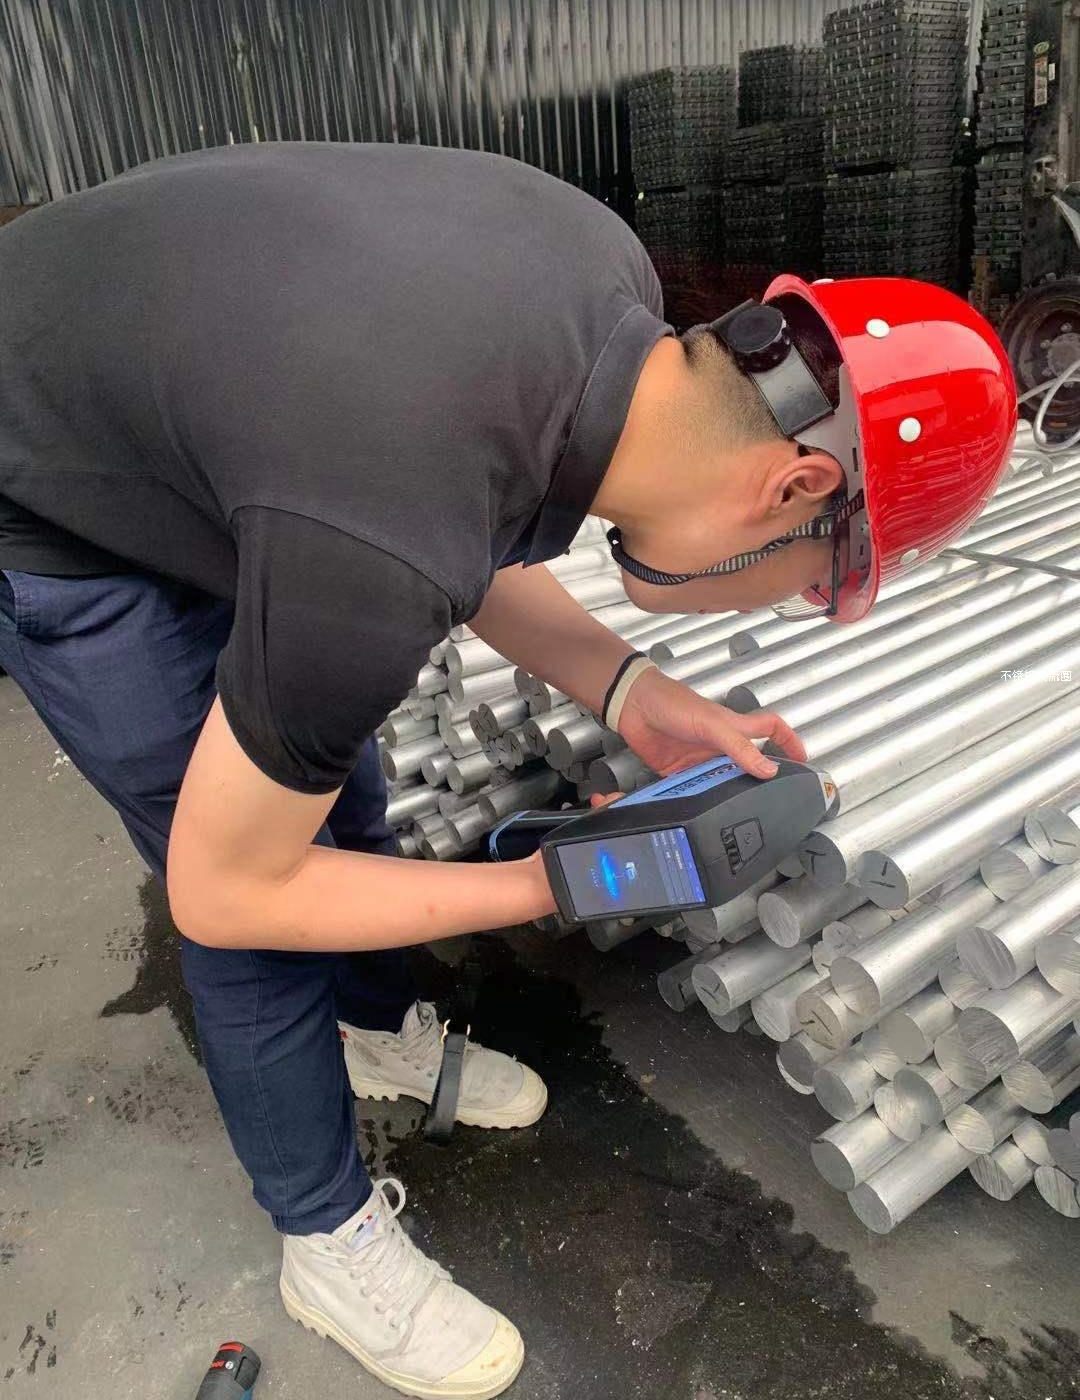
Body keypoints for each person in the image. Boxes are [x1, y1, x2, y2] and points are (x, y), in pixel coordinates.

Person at [0, 142, 1015, 1400]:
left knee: (333, 774)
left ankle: (372, 1031)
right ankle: (325, 1239)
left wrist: (637, 696)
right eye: (817, 579)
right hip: (52, 498)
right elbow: (225, 889)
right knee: (255, 906)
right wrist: (548, 881)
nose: (792, 601)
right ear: (797, 485)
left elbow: (450, 515)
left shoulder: (599, 276)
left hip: (200, 415)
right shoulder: (376, 539)